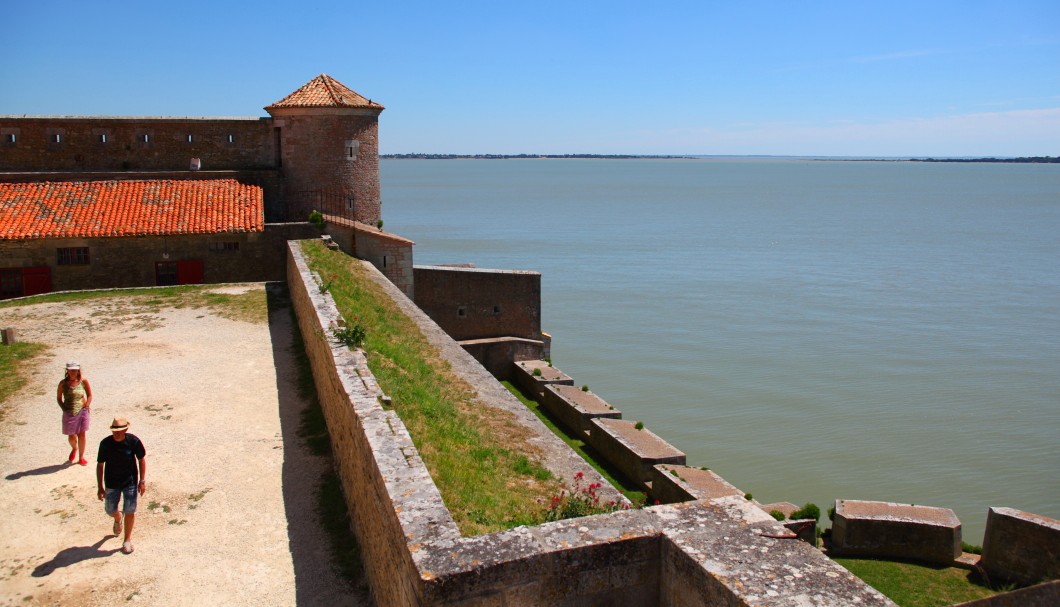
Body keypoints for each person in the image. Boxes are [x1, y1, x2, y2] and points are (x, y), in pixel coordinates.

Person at [96, 417, 147, 555]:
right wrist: (100, 486)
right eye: (114, 430)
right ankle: (118, 518)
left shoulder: (133, 441)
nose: (116, 433)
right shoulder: (105, 444)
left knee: (130, 511)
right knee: (109, 509)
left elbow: (141, 459)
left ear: (125, 429)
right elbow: (100, 465)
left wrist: (142, 481)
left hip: (129, 482)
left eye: (119, 430)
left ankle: (127, 540)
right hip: (112, 483)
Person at [56, 361, 92, 465]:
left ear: (78, 370)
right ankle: (74, 448)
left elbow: (89, 395)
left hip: (82, 410)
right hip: (69, 412)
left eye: (74, 370)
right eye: (71, 370)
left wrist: (87, 404)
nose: (73, 372)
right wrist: (64, 409)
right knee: (71, 436)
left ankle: (81, 457)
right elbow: (59, 398)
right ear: (67, 370)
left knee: (82, 434)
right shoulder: (62, 384)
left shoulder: (83, 381)